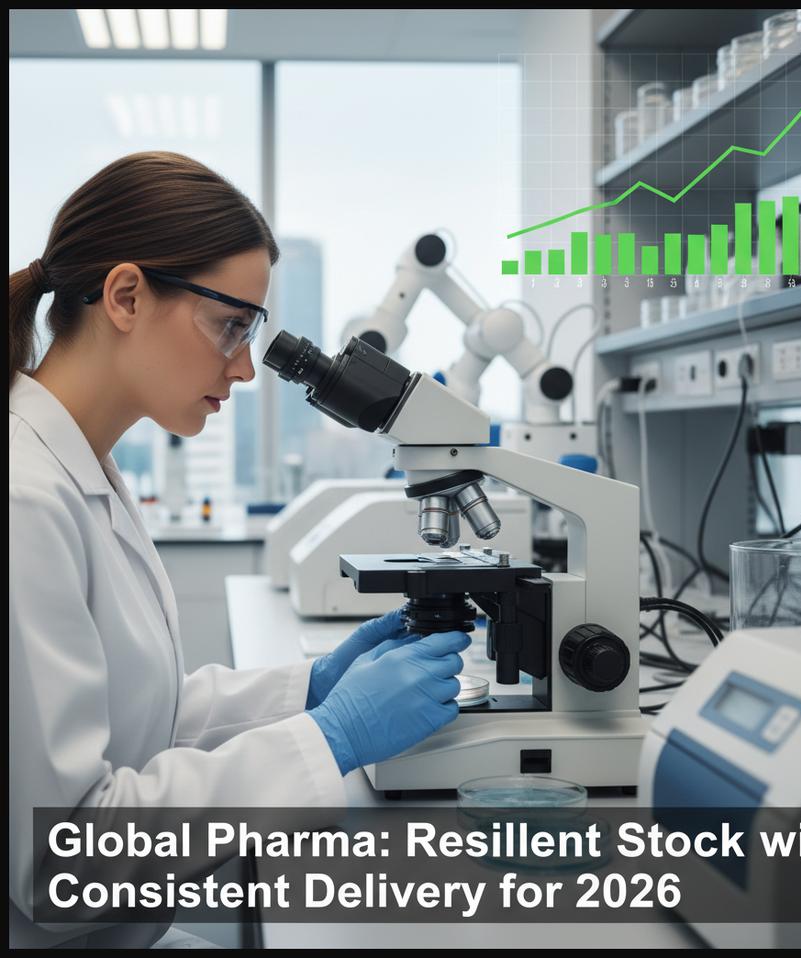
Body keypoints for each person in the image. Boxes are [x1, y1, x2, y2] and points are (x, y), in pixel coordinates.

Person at [9, 151, 469, 948]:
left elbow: (135, 720)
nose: (248, 367)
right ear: (125, 296)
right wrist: (332, 738)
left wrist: (310, 688)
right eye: (230, 325)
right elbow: (67, 862)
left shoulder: (80, 469)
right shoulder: (24, 501)